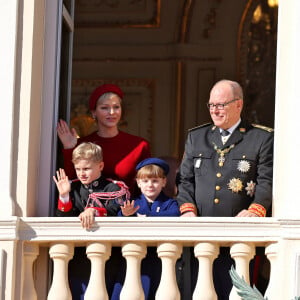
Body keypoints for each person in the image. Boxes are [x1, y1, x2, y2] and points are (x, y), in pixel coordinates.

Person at [176, 79, 274, 299]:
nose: (215, 110)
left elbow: (266, 180)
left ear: (238, 104)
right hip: (200, 235)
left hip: (240, 236)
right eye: (211, 105)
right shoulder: (196, 137)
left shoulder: (261, 138)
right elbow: (184, 180)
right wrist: (188, 209)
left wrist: (255, 209)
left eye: (221, 104)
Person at [53, 142, 129, 300]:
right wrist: (65, 196)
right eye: (78, 169)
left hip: (109, 256)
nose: (81, 174)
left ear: (100, 166)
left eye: (86, 168)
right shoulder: (71, 187)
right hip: (79, 256)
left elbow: (116, 210)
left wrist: (95, 211)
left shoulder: (113, 188)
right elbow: (63, 220)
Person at [57, 83, 151, 196]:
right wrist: (69, 148)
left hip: (125, 210)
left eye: (116, 107)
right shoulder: (82, 144)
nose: (111, 112)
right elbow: (71, 183)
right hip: (87, 210)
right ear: (94, 112)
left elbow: (147, 184)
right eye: (104, 108)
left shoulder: (139, 145)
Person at [114, 158, 180, 299]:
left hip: (158, 259)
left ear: (164, 182)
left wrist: (145, 215)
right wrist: (126, 215)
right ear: (138, 183)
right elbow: (120, 216)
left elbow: (174, 215)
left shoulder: (170, 203)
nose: (150, 185)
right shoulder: (133, 203)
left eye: (155, 181)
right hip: (135, 259)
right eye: (145, 181)